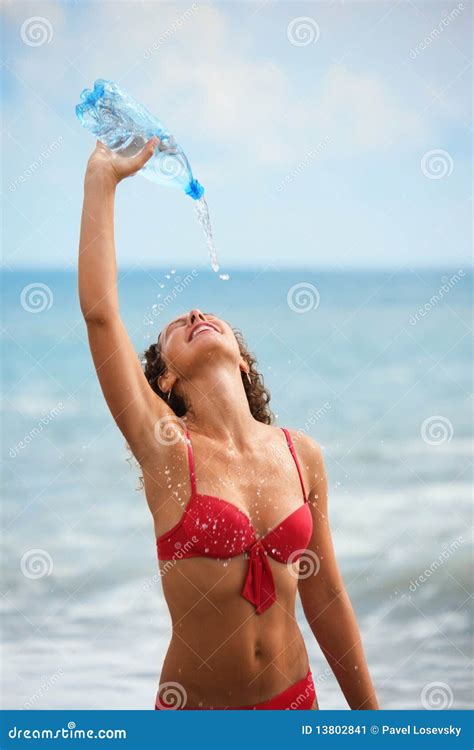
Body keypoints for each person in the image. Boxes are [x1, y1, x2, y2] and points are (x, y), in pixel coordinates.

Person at [78, 138, 379, 710]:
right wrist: (102, 180)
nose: (194, 314)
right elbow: (100, 315)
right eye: (175, 324)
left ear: (243, 360)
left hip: (296, 707)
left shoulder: (300, 454)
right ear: (164, 380)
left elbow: (326, 597)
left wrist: (374, 725)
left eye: (206, 314)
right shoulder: (167, 447)